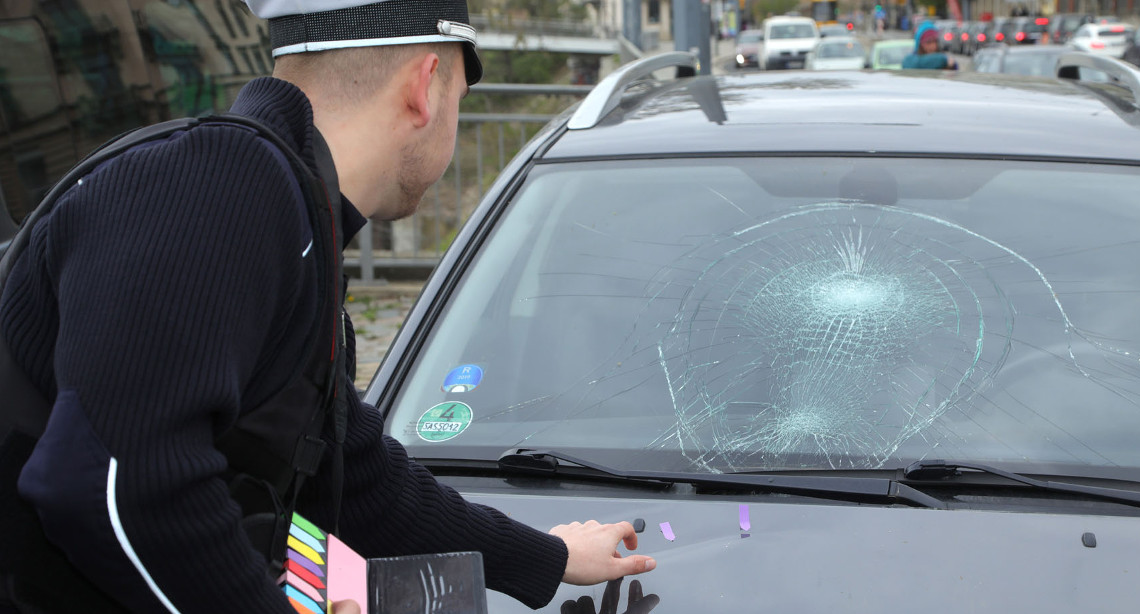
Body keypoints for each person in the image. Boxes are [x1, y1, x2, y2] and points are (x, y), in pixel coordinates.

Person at [0, 1, 655, 612]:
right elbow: (119, 488)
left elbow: (353, 479)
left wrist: (547, 558)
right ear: (426, 86)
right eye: (461, 91)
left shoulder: (287, 213)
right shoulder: (221, 185)